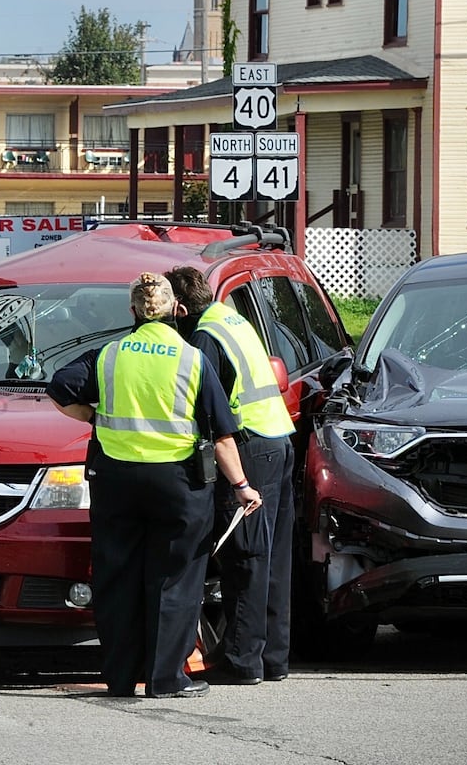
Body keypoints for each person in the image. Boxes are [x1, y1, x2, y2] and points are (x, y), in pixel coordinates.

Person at [48, 271, 261, 699]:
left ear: (132, 311)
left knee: (117, 578)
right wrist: (241, 485)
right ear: (176, 311)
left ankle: (121, 679)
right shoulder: (192, 358)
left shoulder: (108, 355)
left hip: (116, 481)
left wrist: (92, 417)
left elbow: (59, 388)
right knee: (174, 580)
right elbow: (221, 435)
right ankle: (166, 679)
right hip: (177, 484)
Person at [165, 265, 296, 685]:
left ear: (181, 308)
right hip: (278, 439)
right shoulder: (228, 316)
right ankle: (271, 658)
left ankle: (241, 661)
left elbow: (207, 408)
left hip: (250, 447)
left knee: (244, 557)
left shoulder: (205, 336)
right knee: (271, 557)